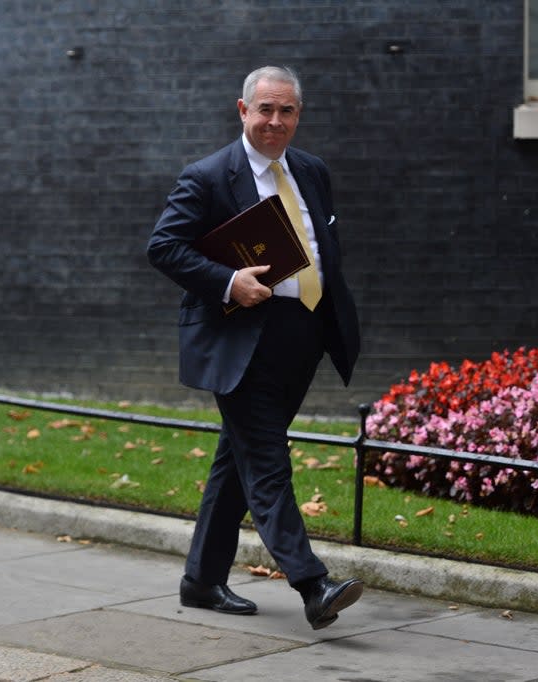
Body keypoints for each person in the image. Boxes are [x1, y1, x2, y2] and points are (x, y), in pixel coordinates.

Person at [147, 65, 362, 630]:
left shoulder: (312, 170)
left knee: (236, 462)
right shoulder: (209, 176)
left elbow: (322, 244)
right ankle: (313, 585)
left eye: (286, 110)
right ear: (242, 111)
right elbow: (164, 247)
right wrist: (228, 281)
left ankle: (201, 581)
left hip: (303, 336)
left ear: (298, 115)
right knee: (266, 460)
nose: (275, 121)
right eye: (264, 109)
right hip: (240, 340)